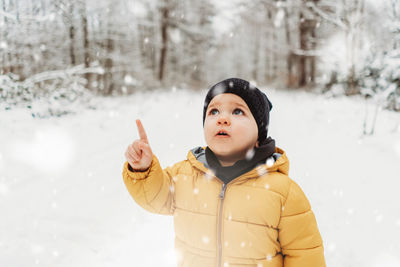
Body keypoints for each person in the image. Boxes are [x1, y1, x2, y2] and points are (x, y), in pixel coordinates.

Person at [122, 78, 326, 267]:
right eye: (213, 112)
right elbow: (155, 197)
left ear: (259, 135)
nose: (222, 119)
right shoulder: (185, 175)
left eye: (237, 112)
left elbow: (305, 255)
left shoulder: (283, 192)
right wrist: (143, 169)